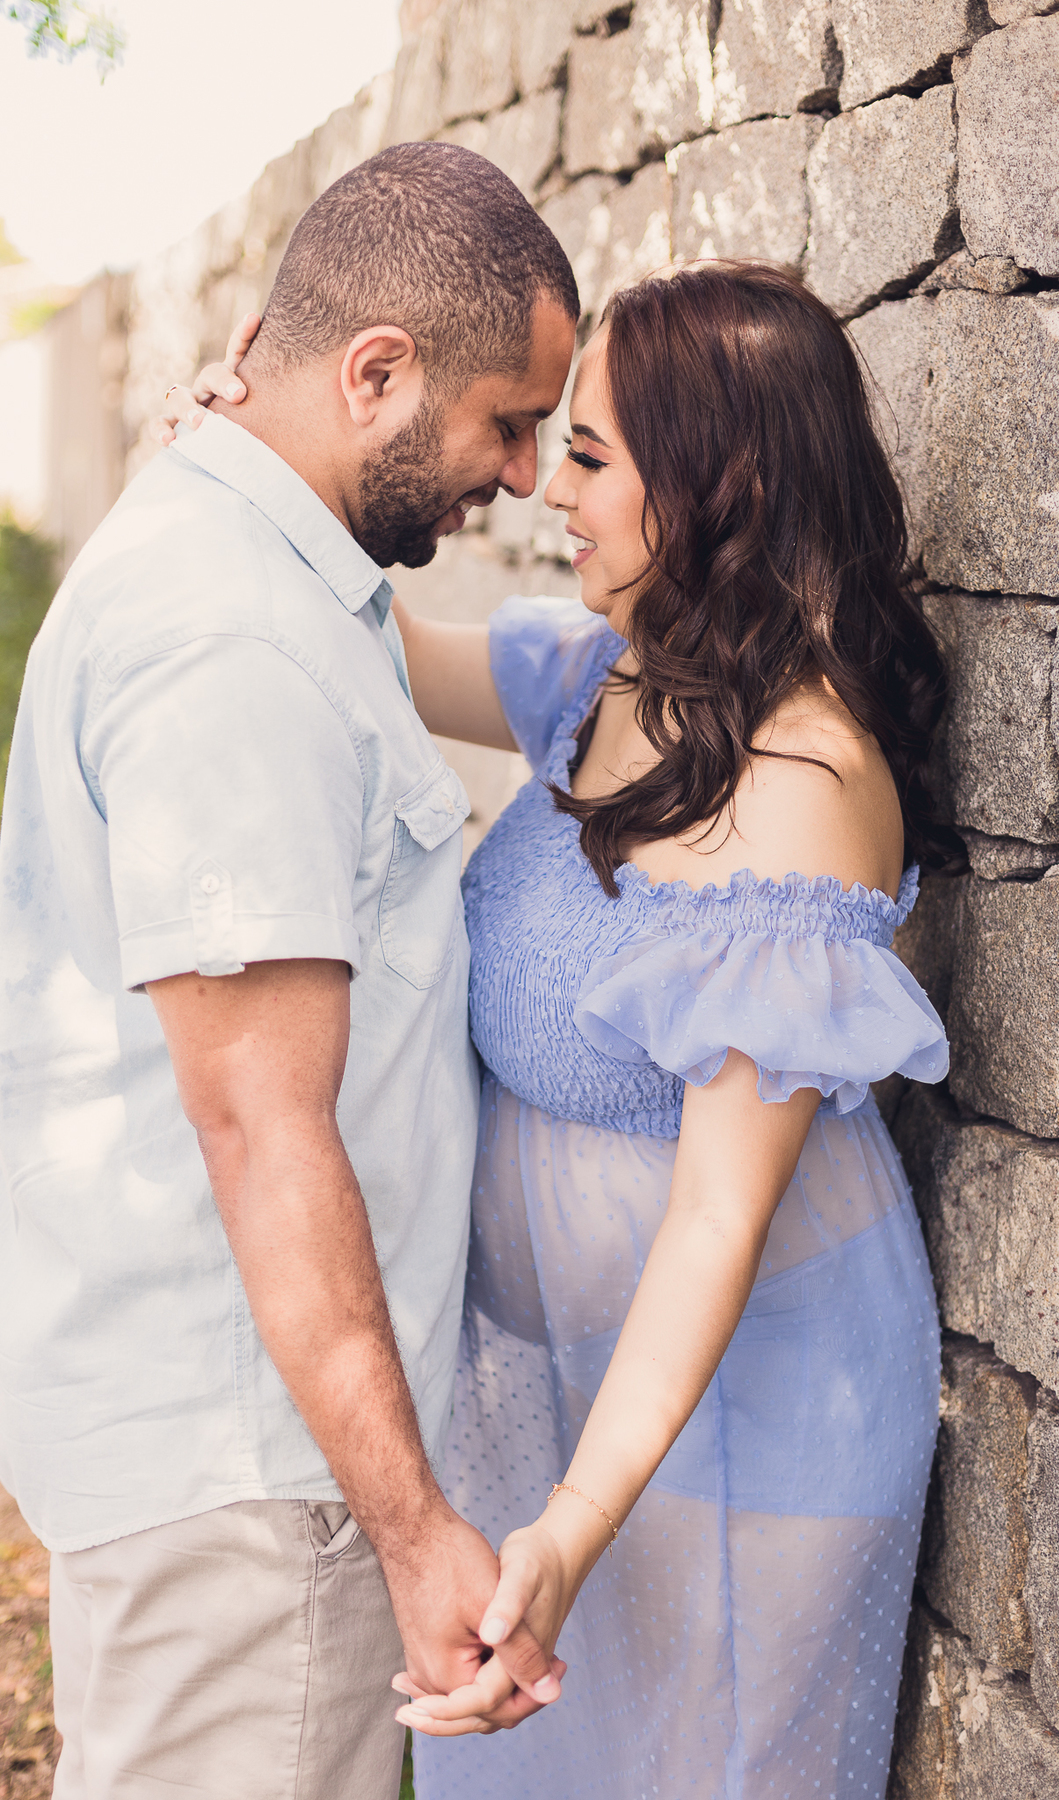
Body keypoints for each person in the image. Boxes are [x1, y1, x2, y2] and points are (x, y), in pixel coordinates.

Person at [169, 259, 952, 1796]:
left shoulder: (800, 786)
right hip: (549, 1397)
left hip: (744, 1413)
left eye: (588, 454)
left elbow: (722, 1216)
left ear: (725, 478)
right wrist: (247, 469)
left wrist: (575, 1525)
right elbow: (357, 644)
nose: (547, 490)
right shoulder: (603, 673)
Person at [0, 141, 579, 1800]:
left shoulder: (270, 564)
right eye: (505, 422)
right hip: (254, 1487)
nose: (529, 477)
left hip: (240, 1454)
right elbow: (263, 1127)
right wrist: (409, 1529)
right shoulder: (234, 642)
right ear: (376, 372)